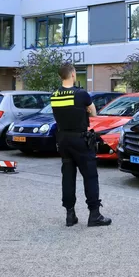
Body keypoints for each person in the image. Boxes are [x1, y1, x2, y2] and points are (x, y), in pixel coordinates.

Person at [51, 63, 111, 228]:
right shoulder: (81, 94)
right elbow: (94, 113)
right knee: (90, 176)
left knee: (68, 176)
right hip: (80, 139)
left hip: (63, 140)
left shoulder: (54, 95)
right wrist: (84, 110)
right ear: (73, 74)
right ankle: (94, 215)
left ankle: (70, 215)